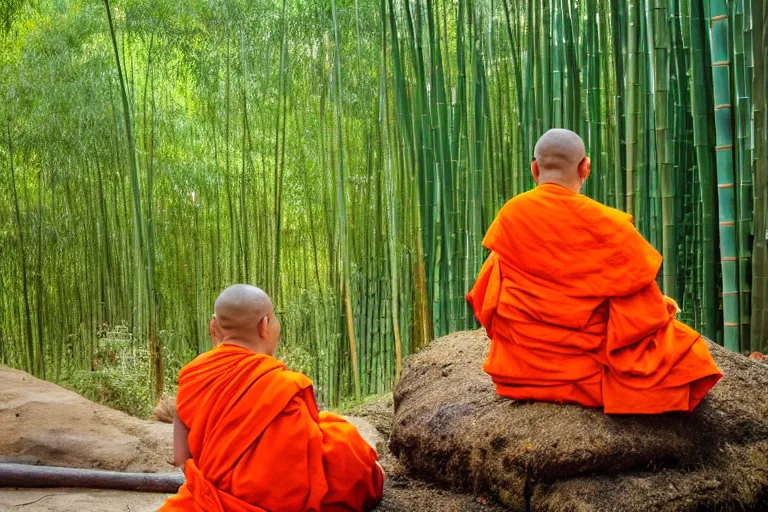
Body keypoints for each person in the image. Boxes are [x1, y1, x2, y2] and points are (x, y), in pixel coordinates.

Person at [467, 129, 723, 414]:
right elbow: (642, 312)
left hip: (522, 370)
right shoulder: (609, 225)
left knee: (496, 266)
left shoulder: (512, 215)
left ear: (534, 168)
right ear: (585, 167)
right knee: (685, 352)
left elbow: (486, 298)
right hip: (593, 372)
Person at [161, 284, 384, 511]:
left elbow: (182, 458)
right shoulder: (283, 384)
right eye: (275, 319)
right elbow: (300, 464)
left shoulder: (194, 374)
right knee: (340, 438)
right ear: (265, 326)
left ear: (213, 327)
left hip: (210, 501)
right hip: (279, 503)